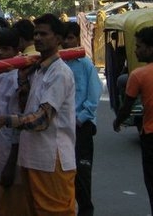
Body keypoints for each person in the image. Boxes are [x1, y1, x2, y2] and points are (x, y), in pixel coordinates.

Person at [0, 13, 76, 216]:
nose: (38, 38)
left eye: (44, 34)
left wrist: (6, 121)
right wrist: (24, 82)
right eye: (36, 34)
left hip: (52, 159)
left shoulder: (59, 73)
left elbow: (42, 119)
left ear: (58, 39)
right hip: (34, 158)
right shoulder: (37, 70)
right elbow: (27, 106)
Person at [0, 28, 30, 216]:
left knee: (14, 206)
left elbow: (20, 124)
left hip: (11, 152)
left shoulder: (19, 78)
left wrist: (11, 163)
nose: (0, 53)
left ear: (16, 51)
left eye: (5, 49)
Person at [62, 21, 102, 216]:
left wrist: (81, 118)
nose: (67, 42)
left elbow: (94, 94)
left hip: (81, 125)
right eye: (64, 39)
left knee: (82, 173)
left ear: (77, 39)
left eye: (70, 38)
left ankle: (86, 210)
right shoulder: (58, 64)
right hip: (62, 127)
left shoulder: (85, 63)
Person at [113, 26, 153, 214]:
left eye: (139, 46)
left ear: (150, 49)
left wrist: (117, 122)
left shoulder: (139, 75)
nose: (136, 50)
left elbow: (126, 107)